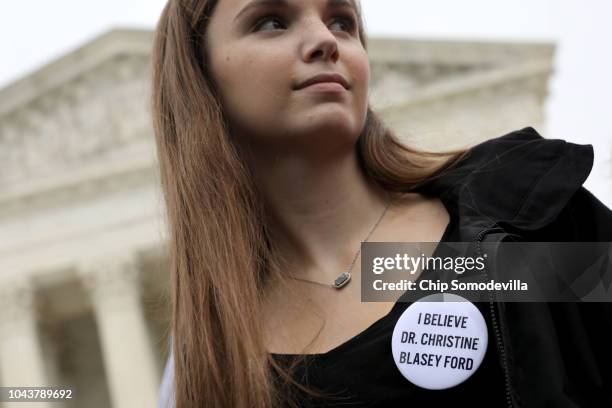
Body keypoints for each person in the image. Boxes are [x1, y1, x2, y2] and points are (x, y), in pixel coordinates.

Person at [151, 1, 612, 407]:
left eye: (342, 21)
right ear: (200, 77)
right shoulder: (212, 359)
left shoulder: (512, 219)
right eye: (271, 21)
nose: (324, 40)